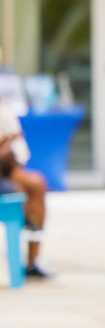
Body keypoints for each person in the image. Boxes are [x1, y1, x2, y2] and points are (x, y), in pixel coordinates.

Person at [0, 95, 50, 279]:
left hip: (6, 170)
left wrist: (7, 145)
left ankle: (32, 261)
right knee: (21, 188)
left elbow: (16, 149)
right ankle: (26, 217)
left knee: (35, 184)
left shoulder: (3, 109)